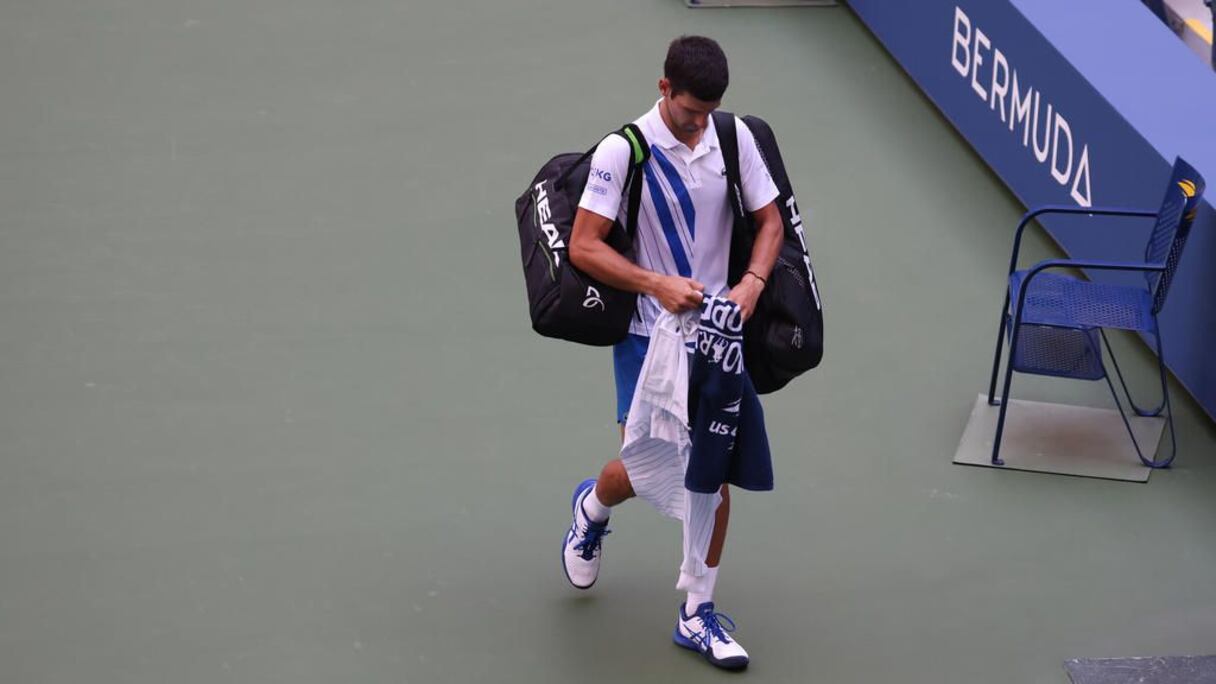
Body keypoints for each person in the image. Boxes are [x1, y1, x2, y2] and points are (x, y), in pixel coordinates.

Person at [561, 35, 784, 670]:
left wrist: (752, 283)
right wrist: (656, 284)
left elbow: (770, 222)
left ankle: (697, 612)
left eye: (708, 112)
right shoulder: (623, 151)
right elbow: (584, 245)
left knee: (713, 472)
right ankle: (592, 507)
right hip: (647, 337)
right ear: (665, 89)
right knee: (644, 468)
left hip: (716, 337)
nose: (698, 124)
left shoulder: (733, 139)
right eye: (689, 112)